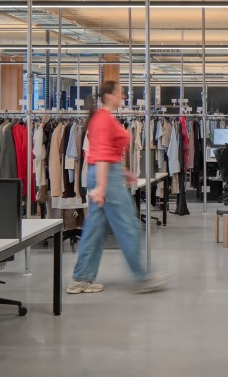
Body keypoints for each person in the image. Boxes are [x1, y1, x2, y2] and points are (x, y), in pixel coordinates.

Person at [68, 81, 168, 294]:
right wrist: (103, 187)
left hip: (105, 173)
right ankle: (143, 278)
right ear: (109, 95)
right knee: (128, 227)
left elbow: (105, 154)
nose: (123, 95)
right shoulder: (103, 119)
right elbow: (103, 156)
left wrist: (123, 171)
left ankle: (81, 279)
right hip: (106, 178)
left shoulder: (101, 118)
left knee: (95, 230)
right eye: (120, 92)